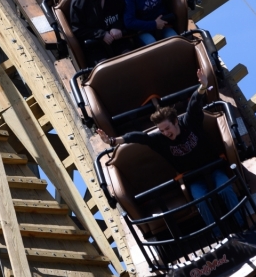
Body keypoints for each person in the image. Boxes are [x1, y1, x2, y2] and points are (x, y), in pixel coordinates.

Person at [98, 68, 243, 231]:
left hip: (213, 167)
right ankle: (220, 237)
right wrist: (111, 140)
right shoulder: (160, 140)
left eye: (167, 128)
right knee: (201, 199)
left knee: (224, 188)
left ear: (175, 121)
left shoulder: (189, 123)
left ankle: (242, 226)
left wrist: (203, 86)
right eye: (161, 131)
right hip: (193, 178)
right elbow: (138, 137)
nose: (166, 133)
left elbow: (194, 104)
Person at [68, 0, 127, 65]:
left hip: (118, 40)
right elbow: (77, 29)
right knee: (105, 67)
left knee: (129, 58)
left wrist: (117, 26)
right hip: (94, 45)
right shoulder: (79, 3)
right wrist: (101, 34)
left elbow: (124, 13)